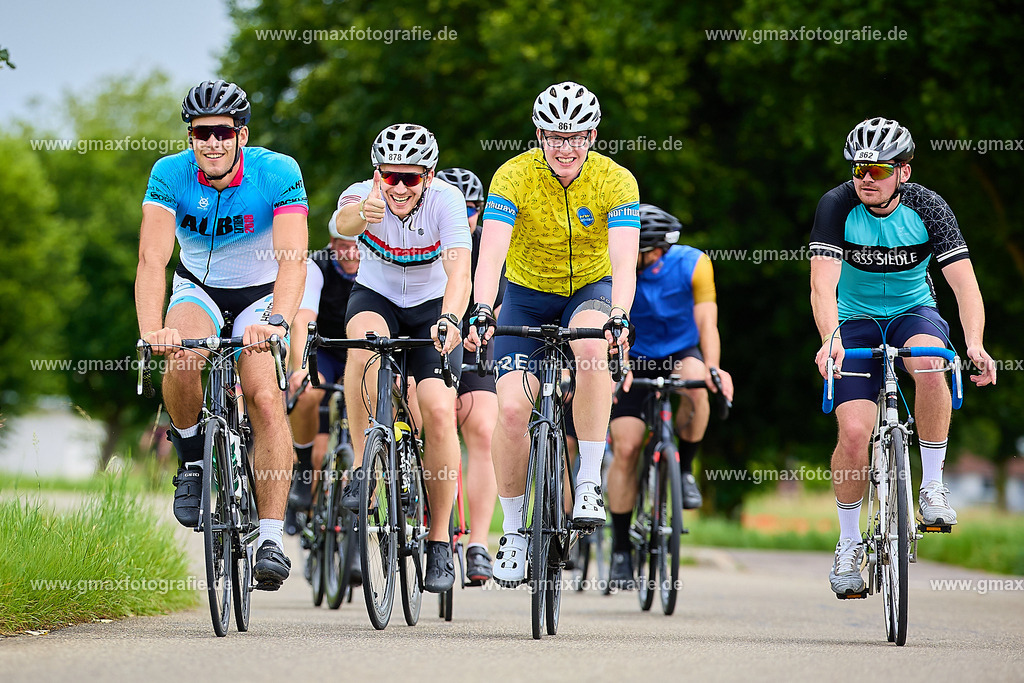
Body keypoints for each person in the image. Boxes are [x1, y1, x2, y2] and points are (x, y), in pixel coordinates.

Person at [810, 117, 997, 597]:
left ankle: (932, 487)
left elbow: (964, 284)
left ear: (903, 172)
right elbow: (822, 282)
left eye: (877, 169)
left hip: (915, 311)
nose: (865, 178)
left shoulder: (928, 207)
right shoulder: (836, 205)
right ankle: (850, 543)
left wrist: (974, 342)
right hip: (853, 319)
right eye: (858, 169)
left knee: (933, 360)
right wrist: (831, 337)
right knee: (853, 434)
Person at [136, 79, 308, 590]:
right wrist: (152, 331)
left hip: (259, 294)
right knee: (183, 358)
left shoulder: (276, 172)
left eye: (221, 132)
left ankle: (272, 537)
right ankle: (191, 461)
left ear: (241, 134)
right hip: (199, 289)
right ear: (190, 137)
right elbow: (152, 259)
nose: (210, 142)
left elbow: (293, 258)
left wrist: (277, 319)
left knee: (265, 398)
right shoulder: (169, 173)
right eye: (199, 133)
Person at [466, 81, 640, 586]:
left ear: (592, 135)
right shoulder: (513, 175)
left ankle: (588, 479)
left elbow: (625, 259)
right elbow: (491, 252)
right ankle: (515, 531)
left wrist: (621, 313)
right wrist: (481, 307)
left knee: (590, 342)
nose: (566, 147)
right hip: (525, 293)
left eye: (577, 136)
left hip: (591, 286)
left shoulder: (615, 180)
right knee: (514, 411)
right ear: (539, 134)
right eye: (555, 136)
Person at [332, 124, 472, 593]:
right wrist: (360, 214)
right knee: (364, 348)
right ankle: (363, 467)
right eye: (390, 176)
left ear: (428, 177)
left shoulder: (447, 201)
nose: (398, 188)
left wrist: (452, 319)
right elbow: (340, 226)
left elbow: (459, 270)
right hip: (377, 295)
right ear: (378, 173)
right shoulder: (364, 196)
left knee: (436, 409)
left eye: (410, 179)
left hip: (433, 304)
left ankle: (437, 542)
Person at [606, 204, 735, 586]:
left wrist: (713, 367)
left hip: (681, 354)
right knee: (626, 447)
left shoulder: (694, 264)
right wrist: (617, 367)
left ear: (657, 248)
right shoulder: (618, 267)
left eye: (638, 250)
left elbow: (706, 321)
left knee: (697, 386)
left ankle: (684, 468)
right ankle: (619, 548)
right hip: (636, 357)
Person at [436, 167, 505, 584]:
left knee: (482, 429)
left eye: (473, 210)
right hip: (432, 335)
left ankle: (478, 542)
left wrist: (487, 323)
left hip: (482, 336)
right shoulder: (426, 235)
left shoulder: (491, 242)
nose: (465, 218)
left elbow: (507, 292)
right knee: (430, 419)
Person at [284, 226, 359, 537]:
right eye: (344, 246)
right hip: (324, 349)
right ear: (332, 244)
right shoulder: (317, 265)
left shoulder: (380, 263)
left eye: (358, 247)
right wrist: (300, 366)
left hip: (359, 349)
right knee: (306, 395)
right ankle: (301, 469)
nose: (352, 253)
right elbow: (302, 318)